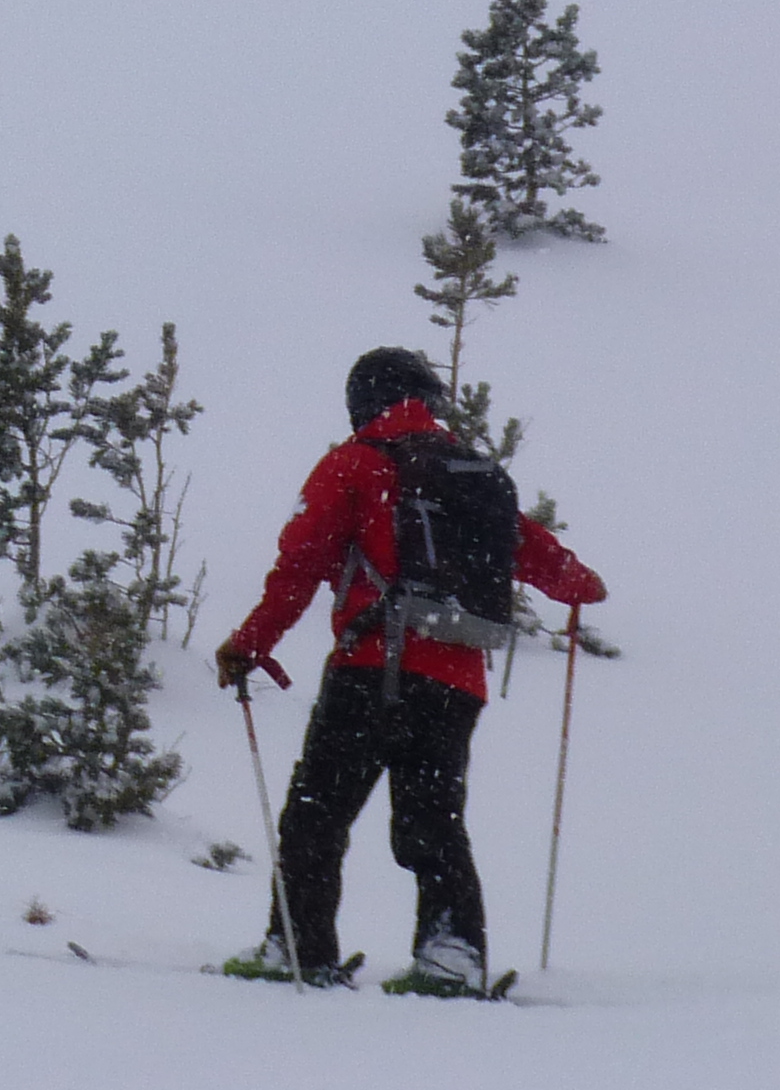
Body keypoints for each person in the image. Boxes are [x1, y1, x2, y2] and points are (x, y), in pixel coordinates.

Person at [211, 343, 605, 995]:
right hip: (457, 682)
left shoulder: (356, 464)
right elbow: (538, 555)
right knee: (432, 820)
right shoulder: (472, 475)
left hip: (372, 668)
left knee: (319, 812)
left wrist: (250, 642)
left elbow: (300, 567)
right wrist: (580, 586)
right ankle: (450, 952)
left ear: (363, 399)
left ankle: (300, 948)